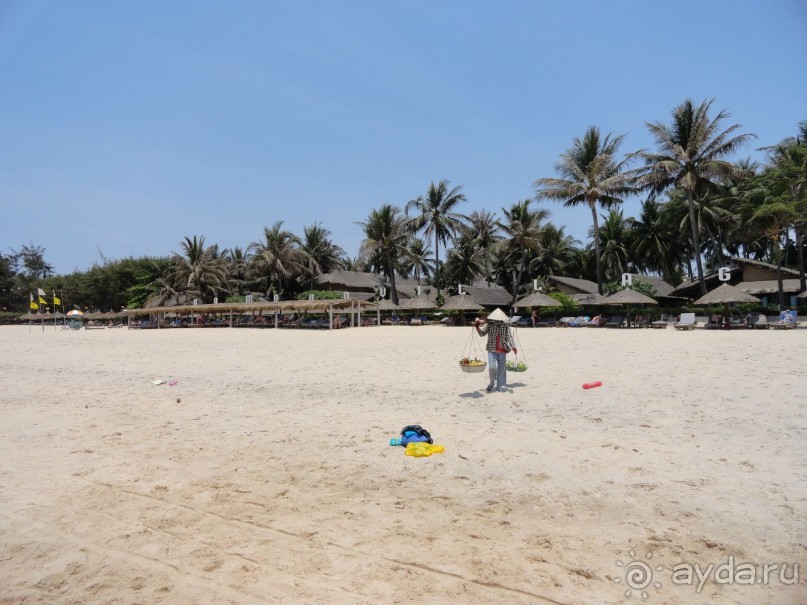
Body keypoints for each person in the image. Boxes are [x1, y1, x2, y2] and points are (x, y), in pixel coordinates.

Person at [475, 308, 518, 393]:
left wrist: (513, 346)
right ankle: (491, 383)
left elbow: (510, 336)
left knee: (501, 369)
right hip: (492, 349)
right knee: (492, 367)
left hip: (502, 349)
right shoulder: (489, 325)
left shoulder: (505, 326)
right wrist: (477, 327)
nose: (497, 320)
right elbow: (482, 334)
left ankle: (500, 386)